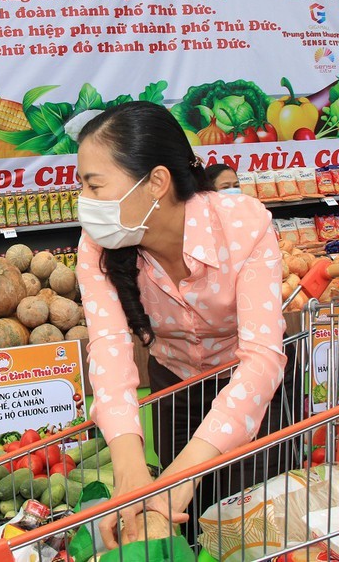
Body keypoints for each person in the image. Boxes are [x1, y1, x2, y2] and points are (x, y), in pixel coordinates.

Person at [74, 101, 288, 548]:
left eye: (95, 186)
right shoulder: (97, 247)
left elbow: (262, 360)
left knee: (254, 527)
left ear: (155, 182)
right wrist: (131, 470)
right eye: (81, 186)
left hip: (249, 392)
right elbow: (109, 352)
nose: (84, 204)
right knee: (184, 526)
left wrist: (182, 475)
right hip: (175, 384)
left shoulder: (243, 225)